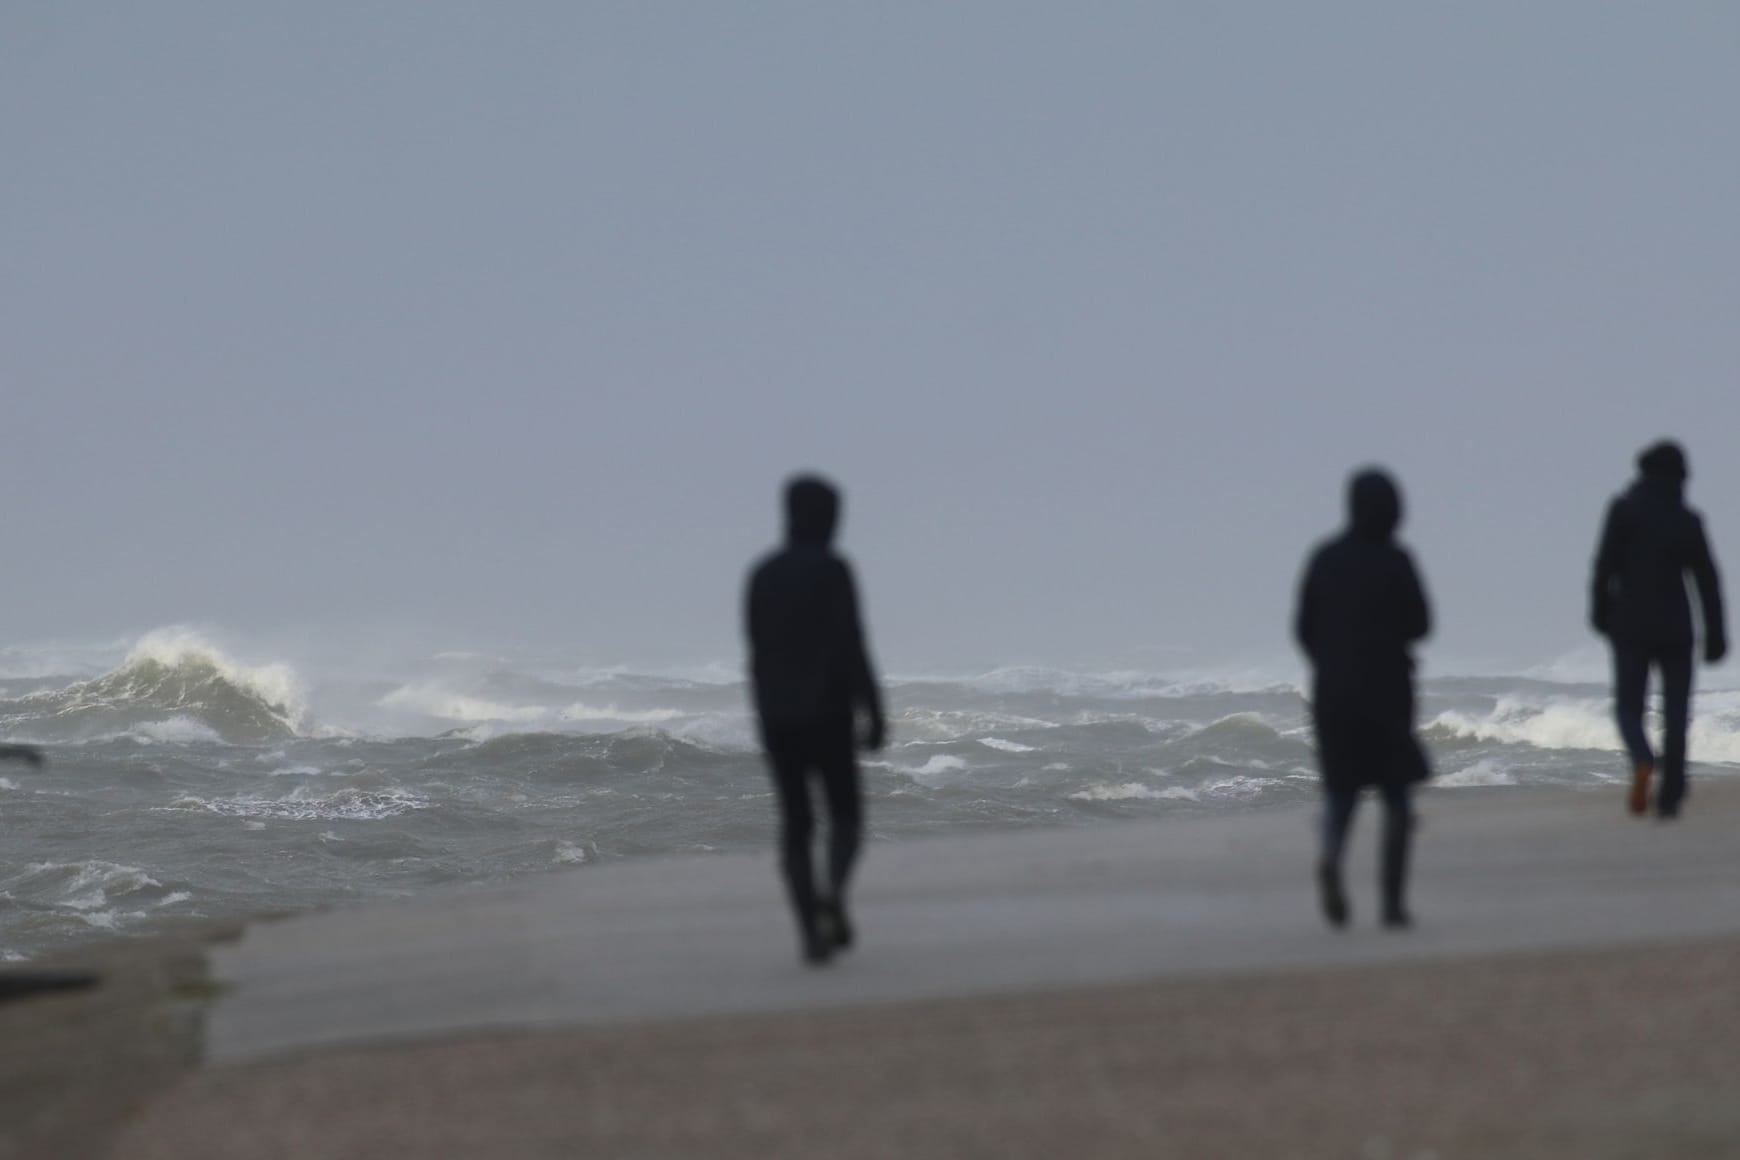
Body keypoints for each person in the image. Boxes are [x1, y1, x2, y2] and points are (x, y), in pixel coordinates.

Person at [745, 475, 886, 965]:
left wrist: (761, 719)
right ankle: (833, 893)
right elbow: (852, 642)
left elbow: (757, 656)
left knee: (796, 824)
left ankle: (809, 933)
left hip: (778, 716)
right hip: (829, 712)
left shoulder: (762, 574)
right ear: (821, 518)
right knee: (845, 815)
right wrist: (875, 710)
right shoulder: (833, 569)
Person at [1294, 468, 1432, 930]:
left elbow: (1304, 627)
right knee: (1395, 797)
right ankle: (1392, 905)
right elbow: (1421, 624)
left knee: (1341, 792)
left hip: (1334, 692)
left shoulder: (1325, 558)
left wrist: (1330, 664)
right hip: (1388, 692)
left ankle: (1332, 857)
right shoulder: (1396, 560)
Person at [1590, 440, 1726, 819]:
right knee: (1677, 712)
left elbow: (1604, 566)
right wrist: (1716, 634)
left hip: (1630, 624)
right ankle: (1670, 795)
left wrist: (1600, 612)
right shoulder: (1687, 519)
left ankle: (1642, 757)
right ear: (1681, 476)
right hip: (1676, 628)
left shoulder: (1623, 511)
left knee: (1629, 707)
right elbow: (1707, 580)